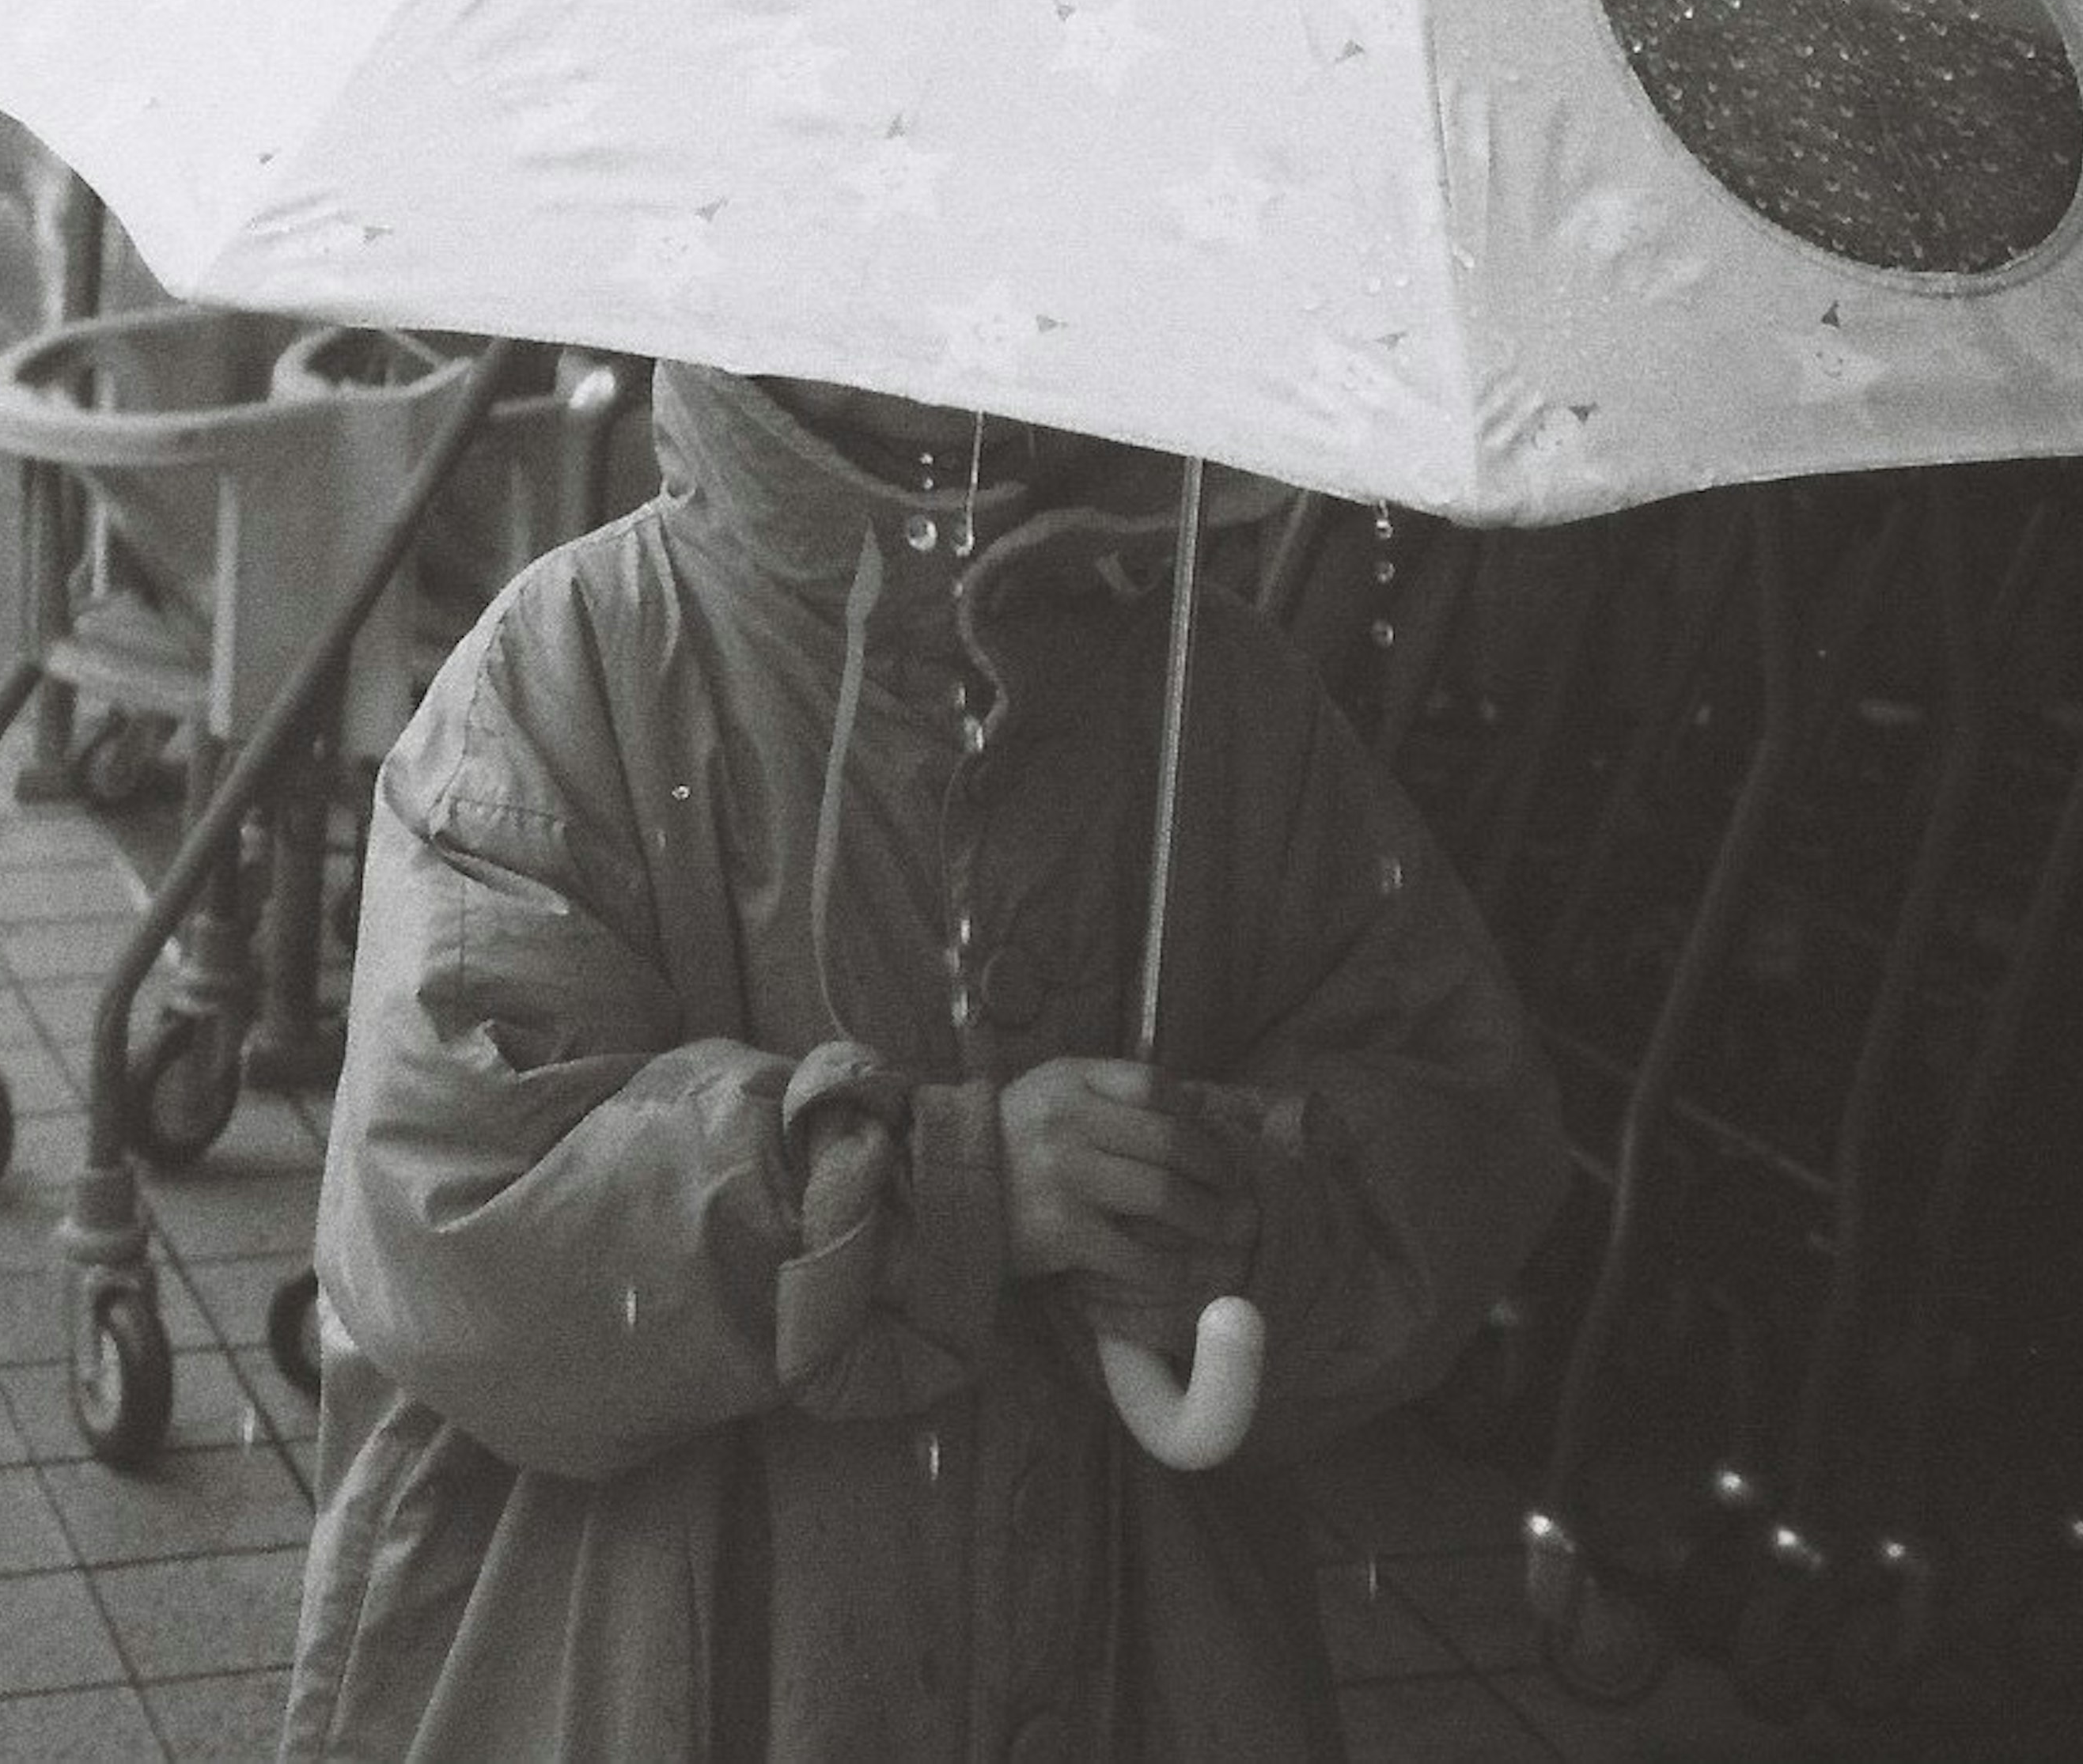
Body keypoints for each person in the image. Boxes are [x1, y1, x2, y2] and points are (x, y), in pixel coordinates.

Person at [278, 358, 1569, 1762]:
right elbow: (459, 1221)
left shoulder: (1220, 700)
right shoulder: (570, 671)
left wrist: (1242, 1221)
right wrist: (953, 1192)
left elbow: (1455, 1113)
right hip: (661, 1665)